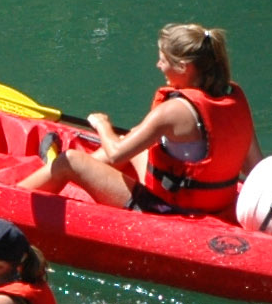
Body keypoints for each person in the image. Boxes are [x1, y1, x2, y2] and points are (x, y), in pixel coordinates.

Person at [21, 23, 256, 219]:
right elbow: (254, 166)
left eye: (162, 60)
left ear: (183, 67)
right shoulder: (232, 97)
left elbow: (116, 154)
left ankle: (17, 194)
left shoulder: (172, 111)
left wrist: (102, 125)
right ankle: (69, 173)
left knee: (69, 161)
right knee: (136, 139)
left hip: (168, 209)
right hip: (215, 204)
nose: (158, 65)